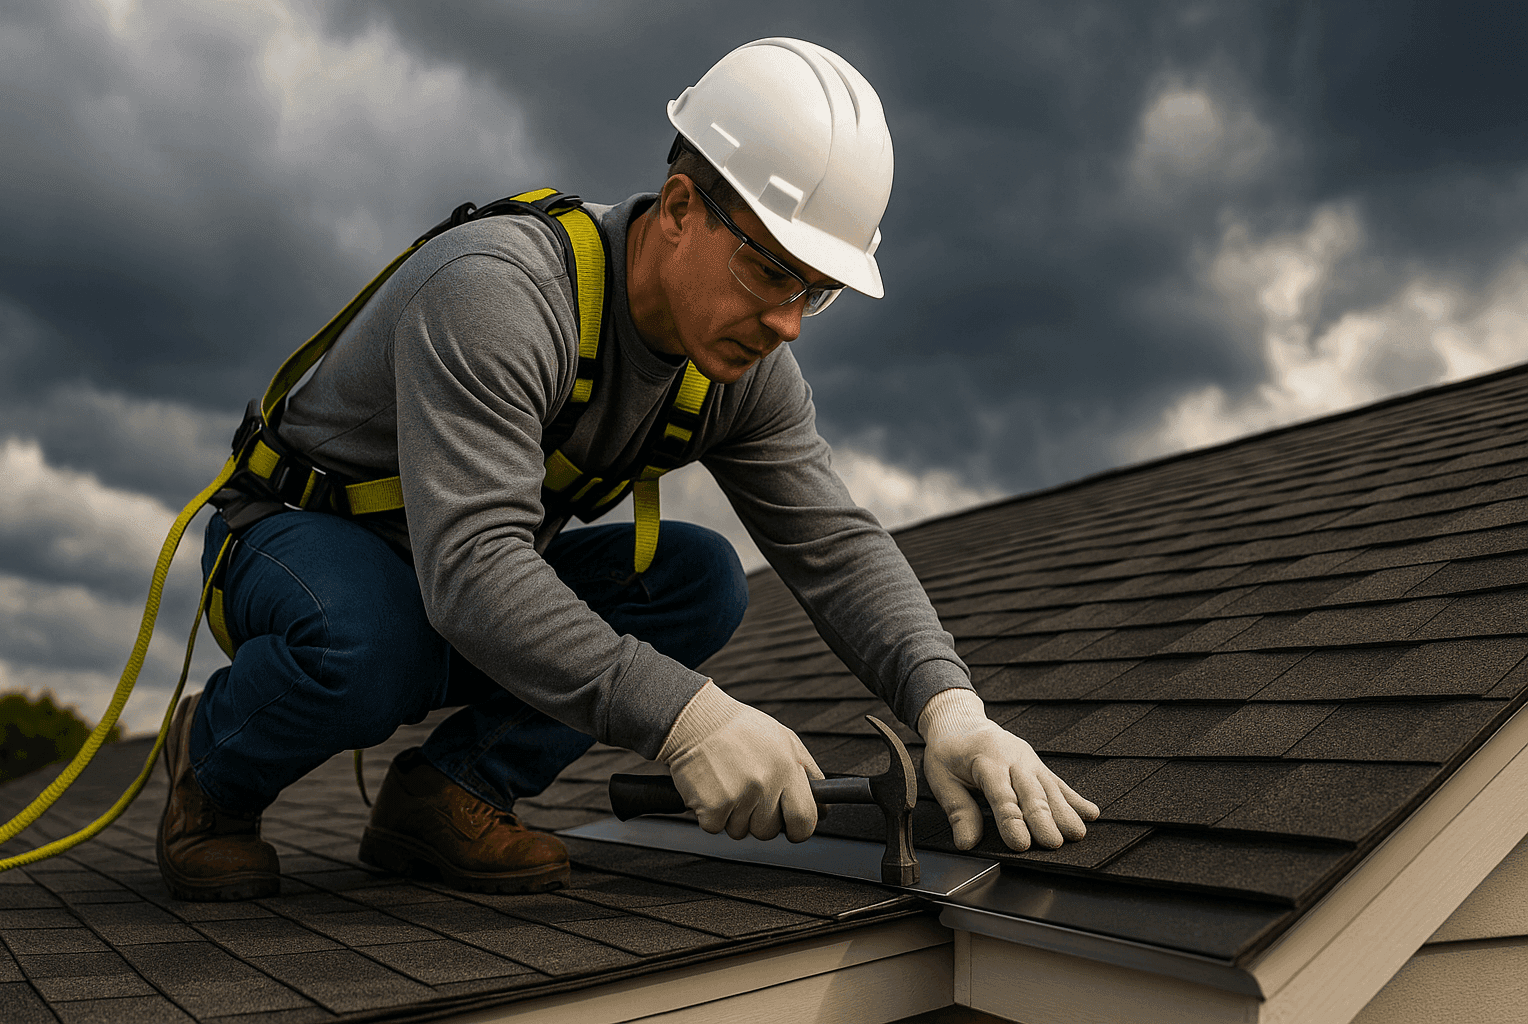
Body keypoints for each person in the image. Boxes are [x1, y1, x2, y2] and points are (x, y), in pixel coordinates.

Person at [156, 37, 1100, 902]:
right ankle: (214, 765)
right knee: (376, 641)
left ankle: (446, 798)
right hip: (294, 544)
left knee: (696, 581)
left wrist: (952, 709)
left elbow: (835, 545)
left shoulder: (744, 372)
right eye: (772, 272)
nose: (789, 323)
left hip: (444, 582)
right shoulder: (500, 296)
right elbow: (476, 570)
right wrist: (690, 719)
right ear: (682, 209)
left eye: (817, 291)